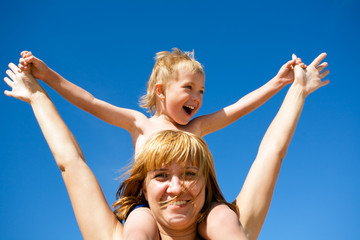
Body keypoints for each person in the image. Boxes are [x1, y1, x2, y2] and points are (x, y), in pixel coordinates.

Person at [5, 53, 329, 239]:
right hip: (143, 210)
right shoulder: (139, 123)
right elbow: (89, 102)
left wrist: (279, 83)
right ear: (161, 90)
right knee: (139, 224)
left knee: (223, 219)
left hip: (205, 211)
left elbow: (241, 110)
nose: (198, 98)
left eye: (202, 91)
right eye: (189, 88)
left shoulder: (196, 128)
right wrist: (45, 76)